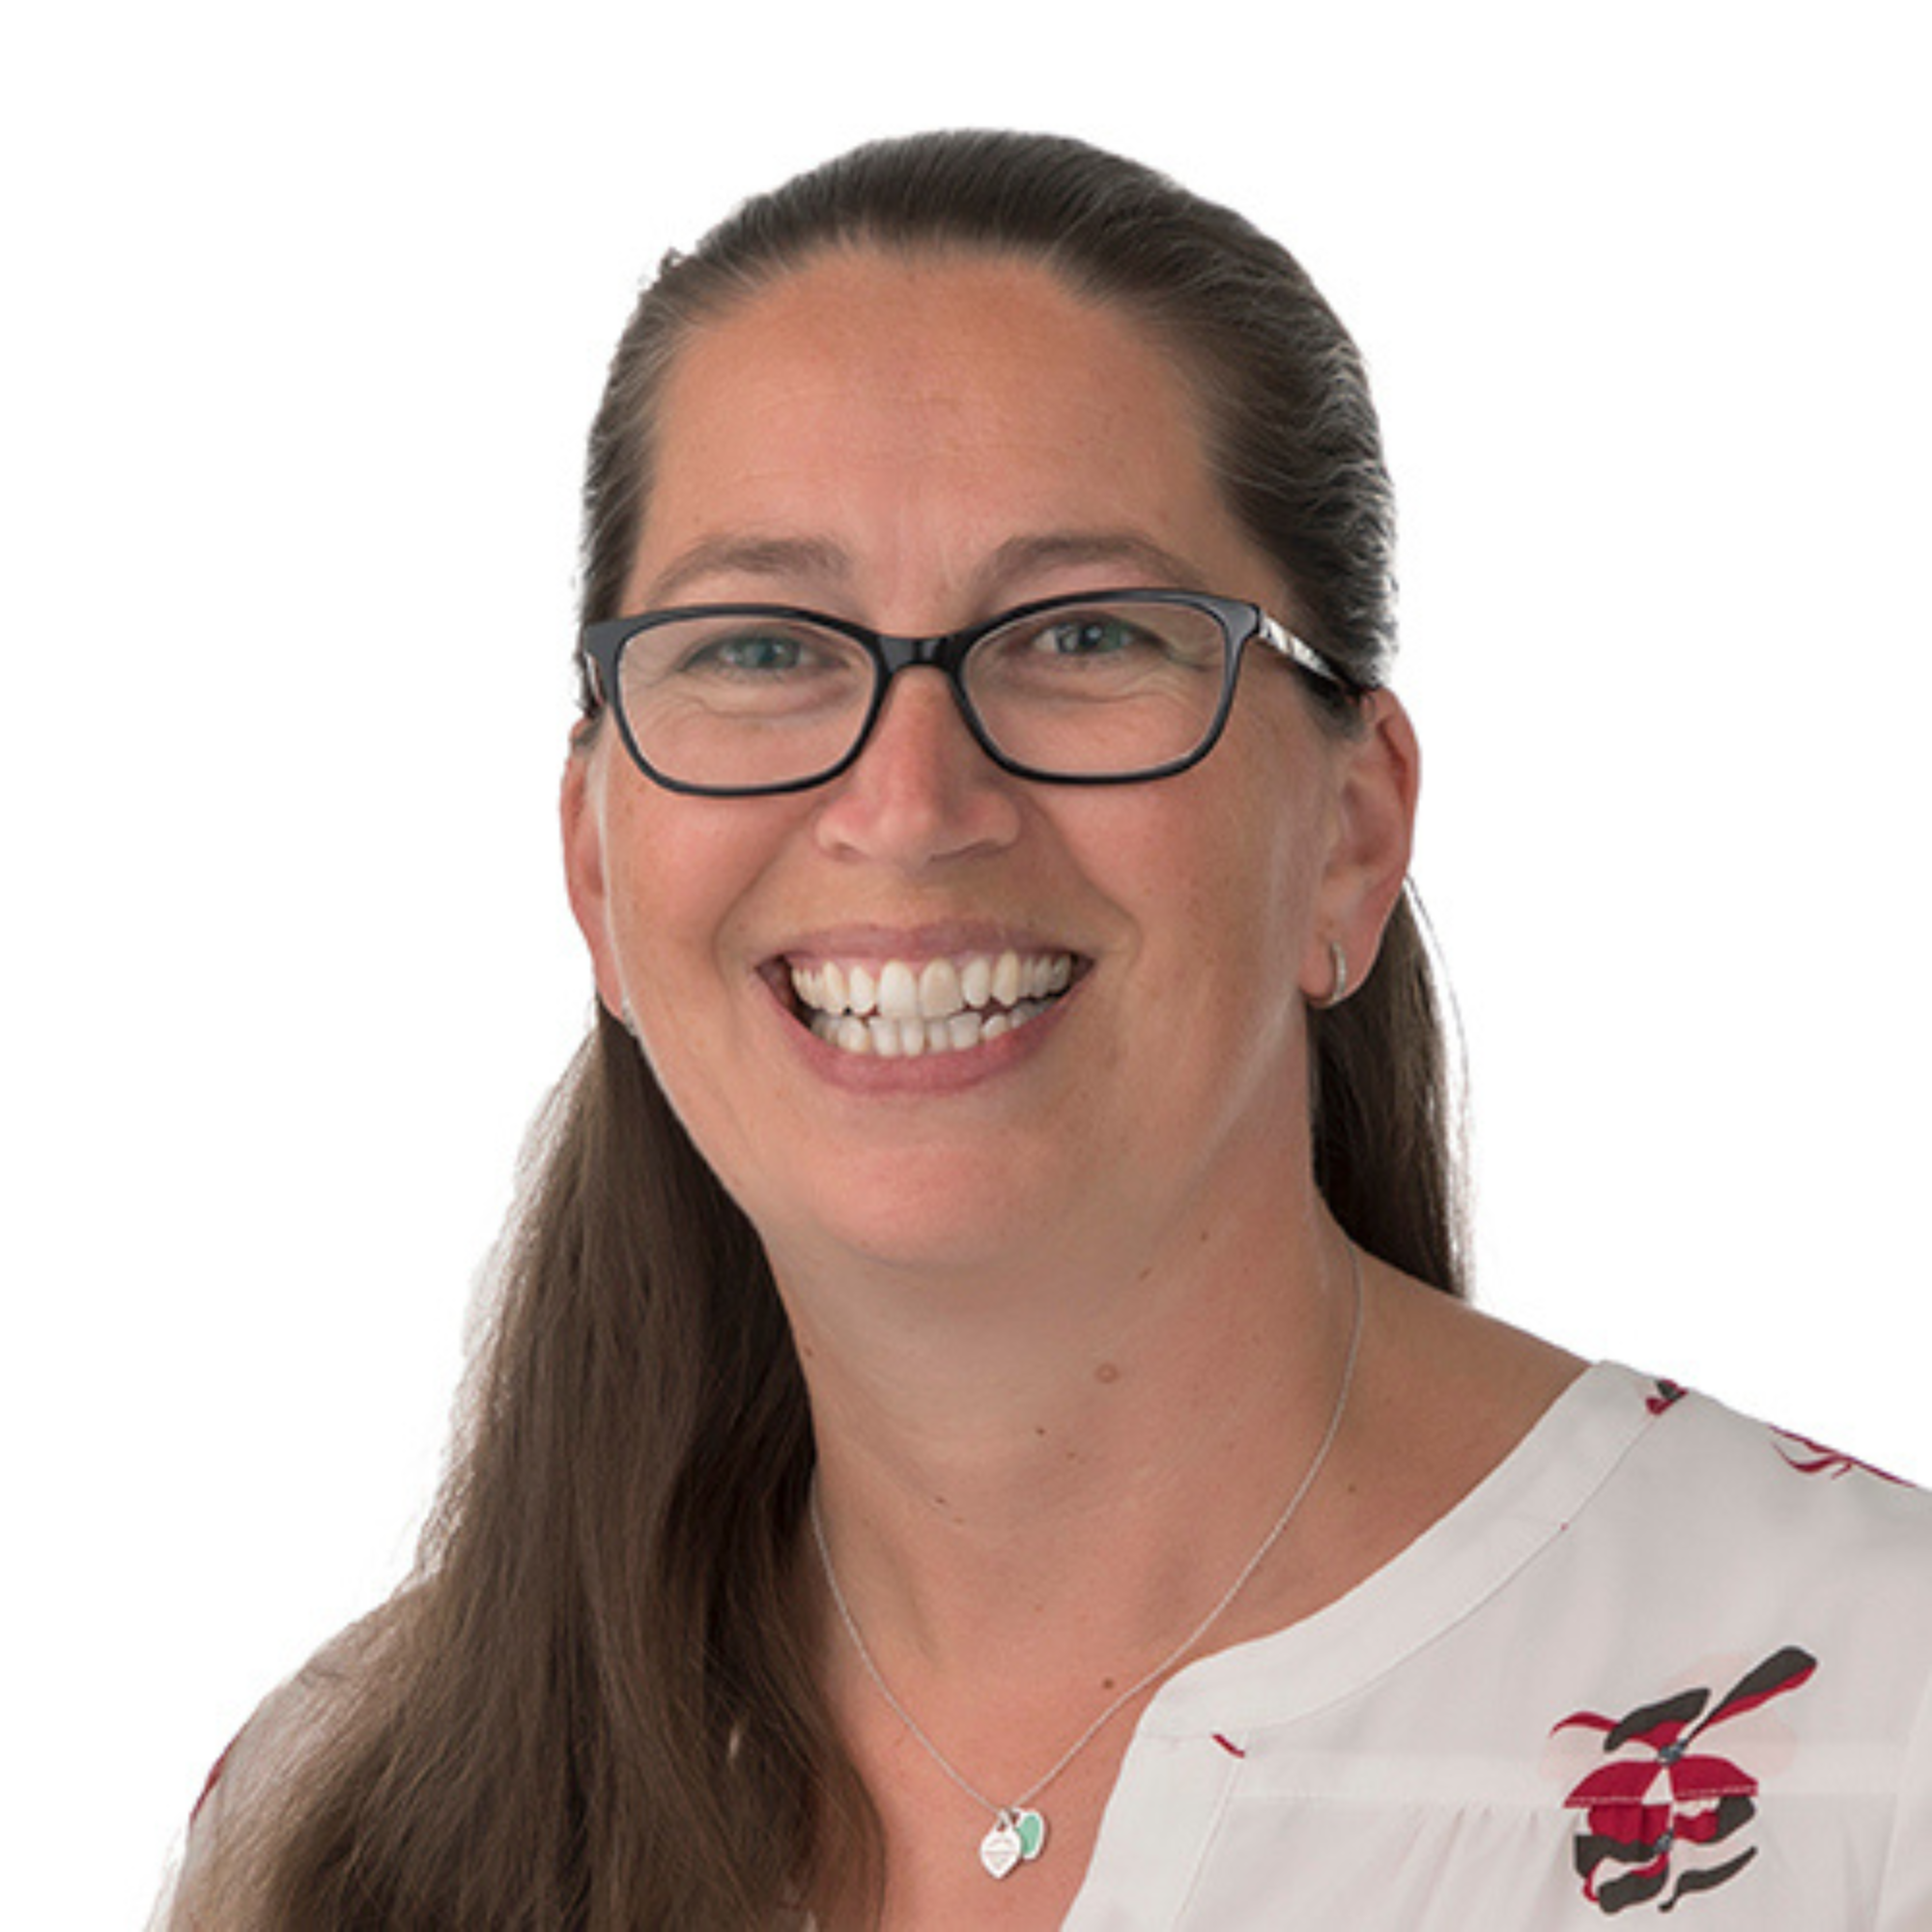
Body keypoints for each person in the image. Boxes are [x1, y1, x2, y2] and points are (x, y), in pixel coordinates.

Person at [162, 130, 1932, 1929]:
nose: (911, 801)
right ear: (599, 870)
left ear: (1351, 834)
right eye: (762, 649)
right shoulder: (347, 1823)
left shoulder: (1887, 1742)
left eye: (1082, 634)